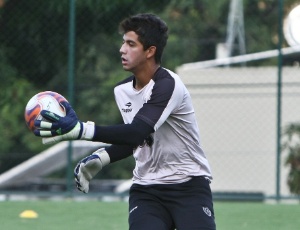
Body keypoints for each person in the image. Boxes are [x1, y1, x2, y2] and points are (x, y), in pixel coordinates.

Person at [34, 13, 216, 230]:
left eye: (131, 44)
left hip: (189, 186)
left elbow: (137, 131)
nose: (122, 50)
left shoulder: (169, 85)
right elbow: (139, 140)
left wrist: (81, 129)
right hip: (147, 190)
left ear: (150, 51)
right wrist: (103, 157)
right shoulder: (121, 91)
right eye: (123, 43)